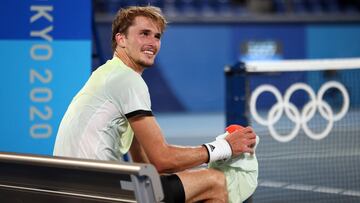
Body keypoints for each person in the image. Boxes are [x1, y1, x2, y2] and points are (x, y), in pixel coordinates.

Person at [53, 6, 257, 203]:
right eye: (144, 33)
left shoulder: (108, 75)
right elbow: (162, 159)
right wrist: (224, 148)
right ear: (121, 39)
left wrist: (190, 169)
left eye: (157, 36)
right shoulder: (127, 80)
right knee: (216, 182)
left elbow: (148, 165)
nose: (152, 42)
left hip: (79, 186)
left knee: (195, 183)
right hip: (99, 190)